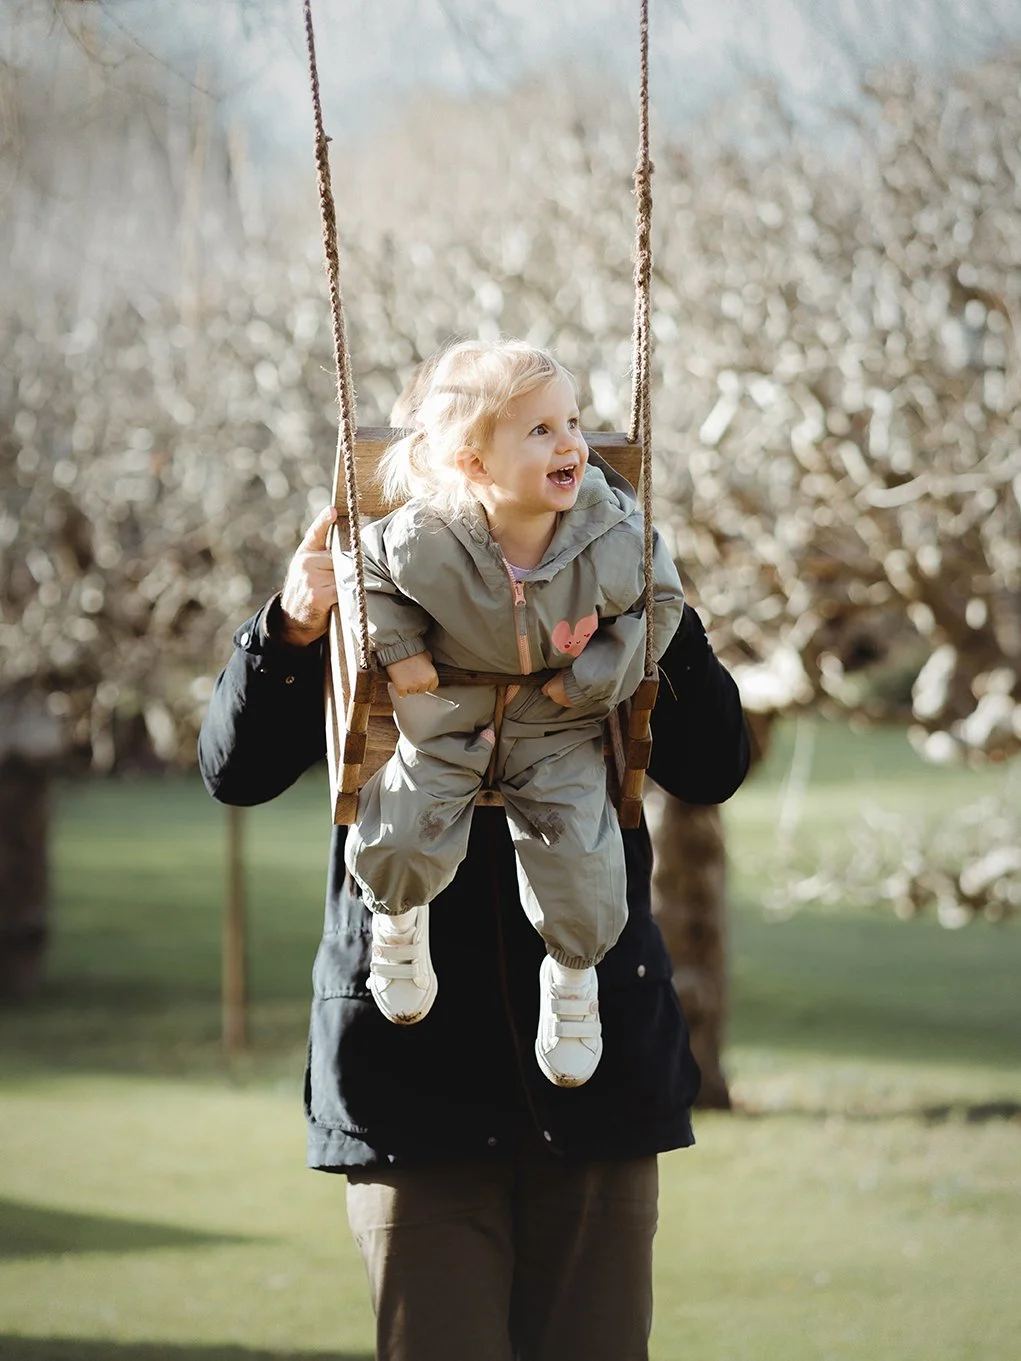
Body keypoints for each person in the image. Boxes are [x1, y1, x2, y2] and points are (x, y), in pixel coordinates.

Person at [198, 476, 748, 1360]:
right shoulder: (375, 587)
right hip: (408, 1080)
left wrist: (655, 611)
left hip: (595, 1073)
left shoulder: (606, 569)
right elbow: (238, 770)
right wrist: (292, 624)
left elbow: (712, 766)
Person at [338, 340, 685, 1088]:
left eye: (571, 420)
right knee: (401, 825)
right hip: (447, 715)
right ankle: (396, 922)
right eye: (539, 431)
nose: (570, 443)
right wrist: (398, 648)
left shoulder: (613, 533)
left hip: (556, 727)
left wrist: (596, 676)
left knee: (583, 861)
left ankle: (570, 977)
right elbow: (360, 565)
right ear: (473, 465)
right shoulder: (426, 538)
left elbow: (659, 603)